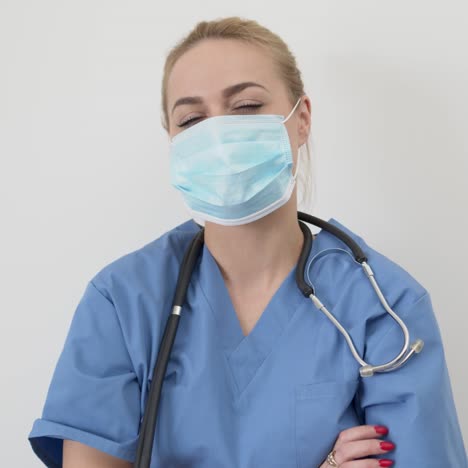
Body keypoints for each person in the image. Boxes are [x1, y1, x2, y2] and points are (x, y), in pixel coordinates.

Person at [28, 16, 467, 468]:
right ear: (173, 142)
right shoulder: (122, 301)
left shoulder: (384, 306)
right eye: (193, 119)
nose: (219, 138)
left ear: (301, 120)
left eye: (246, 106)